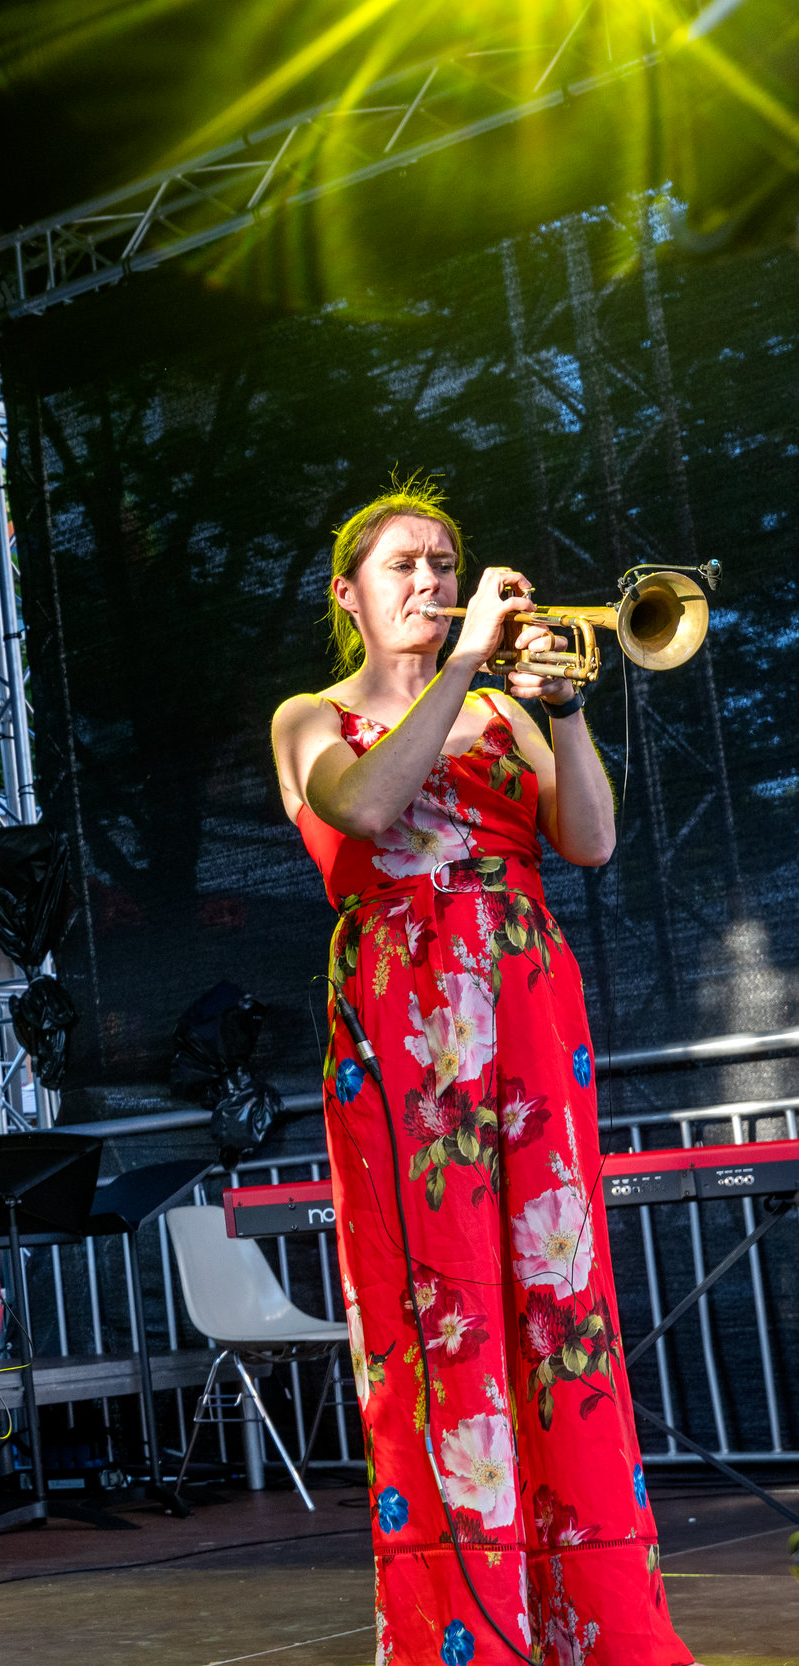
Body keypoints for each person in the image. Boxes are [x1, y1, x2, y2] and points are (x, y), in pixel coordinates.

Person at [270, 484, 691, 1665]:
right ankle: (460, 1633)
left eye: (445, 562)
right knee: (433, 1312)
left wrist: (563, 711)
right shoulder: (310, 715)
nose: (432, 580)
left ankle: (594, 1627)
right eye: (403, 564)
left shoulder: (506, 712)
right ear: (347, 594)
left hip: (525, 1000)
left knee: (561, 1304)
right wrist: (460, 664)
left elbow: (590, 841)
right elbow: (362, 805)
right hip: (402, 1022)